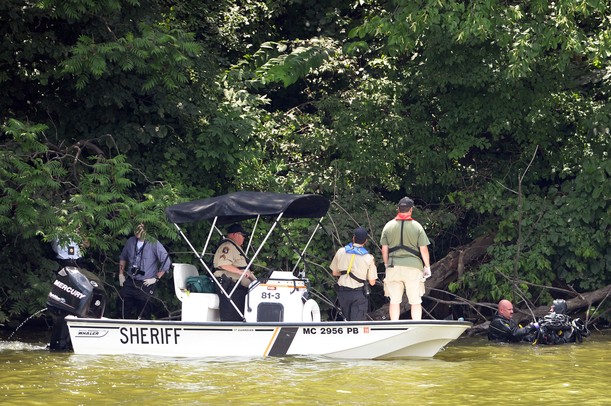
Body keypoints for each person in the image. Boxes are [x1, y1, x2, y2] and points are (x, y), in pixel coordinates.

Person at [380, 197, 431, 320]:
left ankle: (394, 325)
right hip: (413, 268)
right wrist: (427, 267)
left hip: (393, 266)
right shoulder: (417, 226)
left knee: (394, 300)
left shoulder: (388, 226)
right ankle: (416, 325)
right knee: (415, 300)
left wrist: (386, 264)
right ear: (411, 210)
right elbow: (423, 249)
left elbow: (384, 249)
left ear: (398, 209)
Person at [117, 224, 171, 319]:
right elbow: (123, 257)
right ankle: (124, 324)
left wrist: (156, 278)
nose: (137, 231)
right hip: (131, 280)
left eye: (140, 228)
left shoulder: (154, 243)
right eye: (136, 228)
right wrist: (121, 274)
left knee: (144, 307)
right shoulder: (130, 241)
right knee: (122, 301)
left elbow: (166, 261)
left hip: (146, 282)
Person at [330, 227, 378, 321]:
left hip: (343, 293)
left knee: (346, 321)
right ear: (365, 241)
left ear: (353, 238)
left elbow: (334, 272)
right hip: (358, 293)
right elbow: (372, 282)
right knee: (357, 323)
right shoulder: (368, 257)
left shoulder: (341, 251)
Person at [213, 223, 256, 321]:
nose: (244, 238)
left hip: (240, 288)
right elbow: (223, 264)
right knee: (233, 316)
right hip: (230, 286)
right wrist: (241, 273)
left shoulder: (235, 247)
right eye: (242, 235)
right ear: (234, 235)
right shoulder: (227, 246)